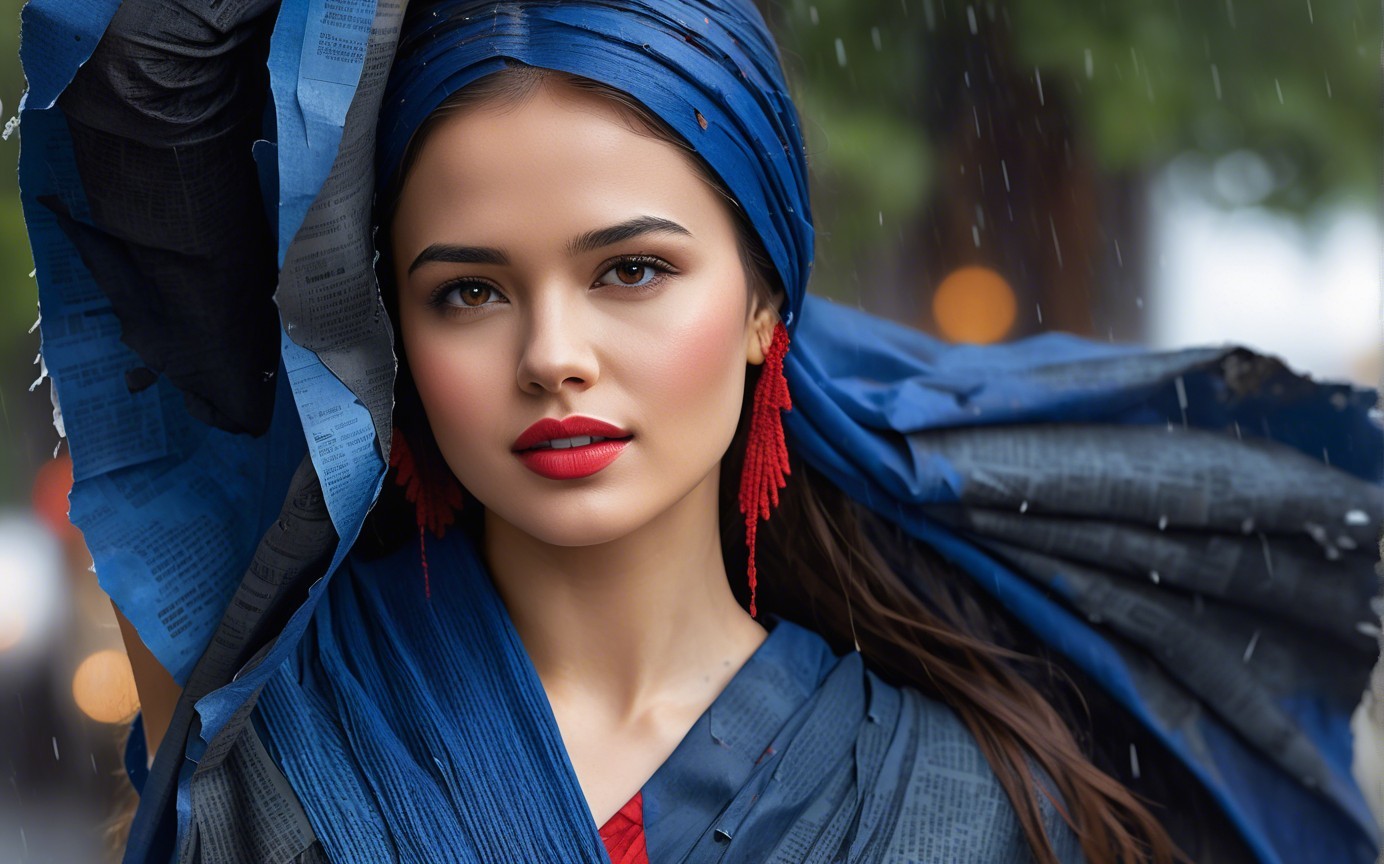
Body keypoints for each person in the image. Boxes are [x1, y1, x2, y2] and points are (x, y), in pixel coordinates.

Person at [16, 1, 1381, 863]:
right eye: (470, 291)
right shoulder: (279, 714)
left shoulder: (974, 797)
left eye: (631, 271)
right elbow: (141, 79)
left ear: (763, 306)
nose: (554, 354)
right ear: (396, 338)